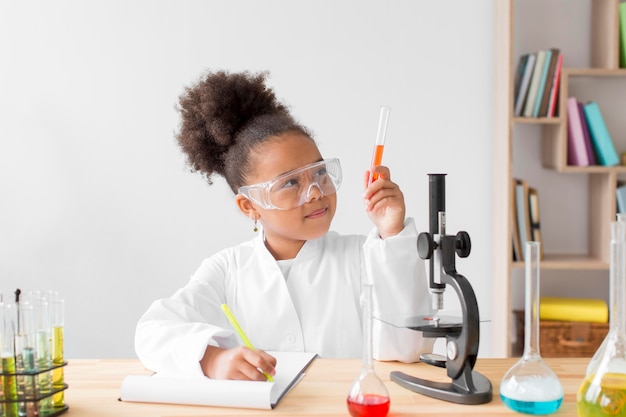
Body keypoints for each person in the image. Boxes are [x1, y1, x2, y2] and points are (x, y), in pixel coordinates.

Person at [135, 70, 434, 380]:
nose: (316, 191)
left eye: (319, 172)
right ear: (249, 206)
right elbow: (152, 333)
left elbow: (408, 347)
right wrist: (213, 360)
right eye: (290, 182)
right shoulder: (227, 271)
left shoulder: (365, 256)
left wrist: (392, 232)